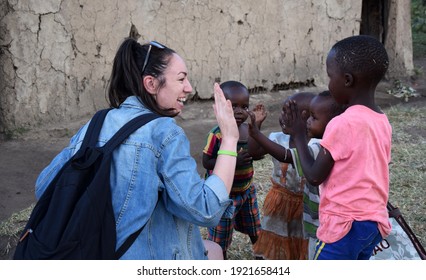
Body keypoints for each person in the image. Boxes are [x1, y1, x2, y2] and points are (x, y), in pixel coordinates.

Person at [34, 37, 240, 260]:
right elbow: (205, 209)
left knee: (214, 249)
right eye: (181, 79)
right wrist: (229, 138)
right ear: (151, 84)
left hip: (91, 252)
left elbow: (44, 187)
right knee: (215, 252)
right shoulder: (164, 132)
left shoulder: (96, 123)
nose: (189, 88)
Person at [285, 35, 392, 260]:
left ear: (347, 80)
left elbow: (314, 176)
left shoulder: (342, 123)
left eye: (329, 76)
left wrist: (298, 135)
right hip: (373, 222)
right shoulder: (381, 120)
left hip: (345, 224)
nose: (328, 83)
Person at [249, 91, 346, 260]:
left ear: (305, 118)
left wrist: (257, 134)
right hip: (280, 202)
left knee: (302, 242)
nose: (282, 118)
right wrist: (256, 127)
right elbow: (253, 151)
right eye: (282, 112)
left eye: (288, 114)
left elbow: (285, 155)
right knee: (274, 234)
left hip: (306, 206)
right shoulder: (278, 138)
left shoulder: (320, 146)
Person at [202, 80, 266, 259]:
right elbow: (206, 161)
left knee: (254, 227)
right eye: (233, 106)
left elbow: (256, 152)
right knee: (220, 237)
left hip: (246, 190)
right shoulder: (216, 134)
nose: (240, 112)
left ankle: (260, 255)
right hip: (224, 196)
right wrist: (233, 161)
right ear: (221, 108)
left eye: (244, 107)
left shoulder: (247, 130)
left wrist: (257, 127)